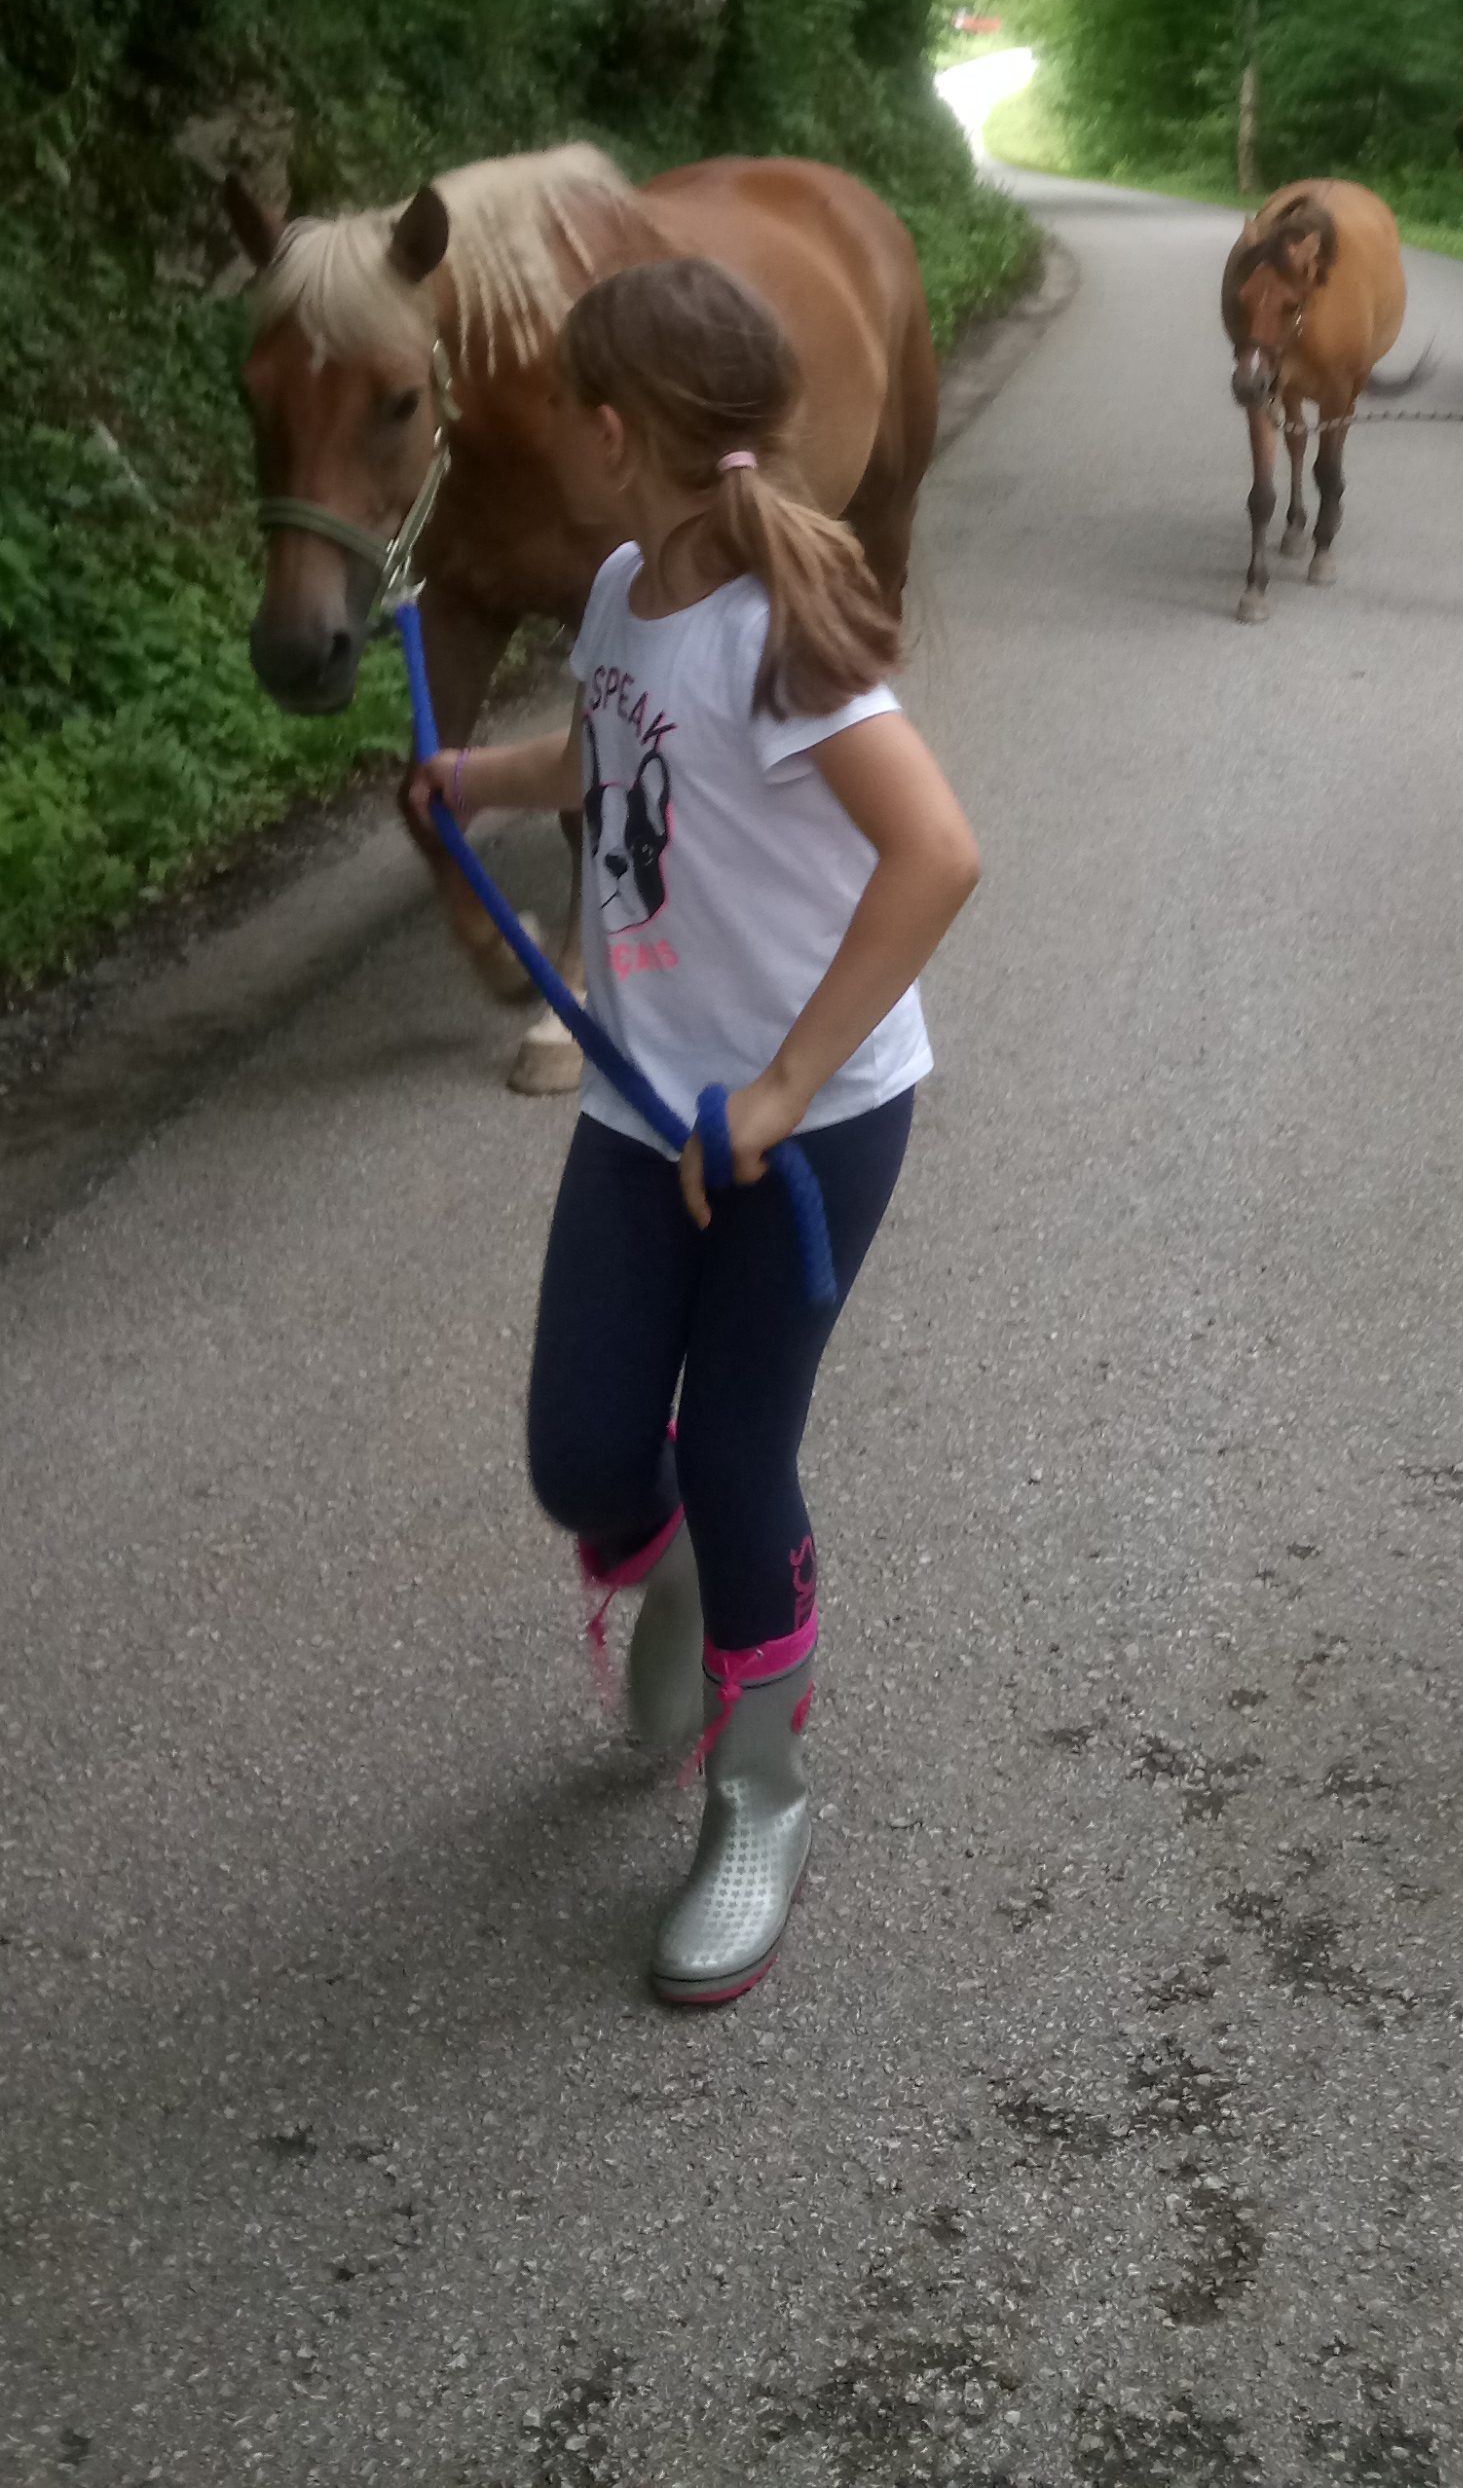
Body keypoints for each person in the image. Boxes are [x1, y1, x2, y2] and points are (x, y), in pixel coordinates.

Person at [416, 254, 980, 2007]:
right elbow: (608, 748)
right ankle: (670, 1586)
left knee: (737, 1454)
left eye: (555, 413)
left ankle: (757, 1796)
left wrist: (789, 1084)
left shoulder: (776, 629)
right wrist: (477, 781)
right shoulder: (618, 586)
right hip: (644, 1095)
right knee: (583, 1453)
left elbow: (938, 854)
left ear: (611, 433)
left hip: (806, 1124)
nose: (543, 442)